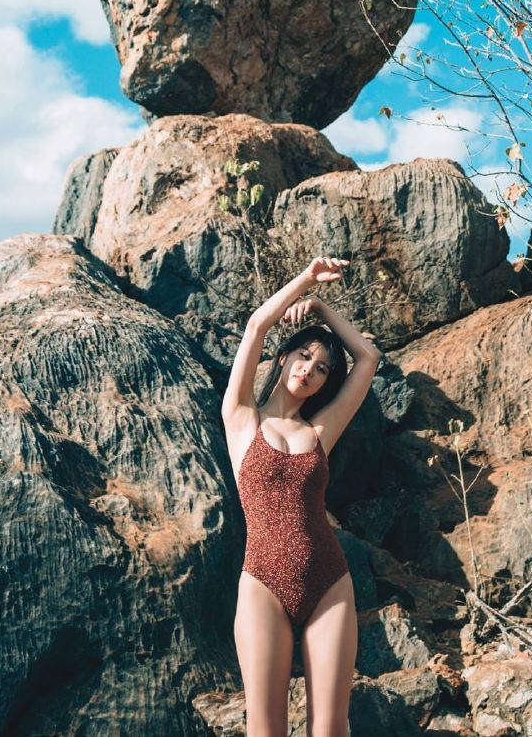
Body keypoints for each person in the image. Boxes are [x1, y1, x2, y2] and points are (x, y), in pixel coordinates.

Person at [222, 256, 381, 737]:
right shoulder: (242, 416)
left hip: (329, 582)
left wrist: (322, 308)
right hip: (263, 582)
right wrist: (305, 280)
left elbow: (369, 359)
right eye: (304, 356)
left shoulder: (319, 433)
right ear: (284, 357)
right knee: (265, 730)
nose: (311, 370)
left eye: (322, 368)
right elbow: (256, 325)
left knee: (331, 730)